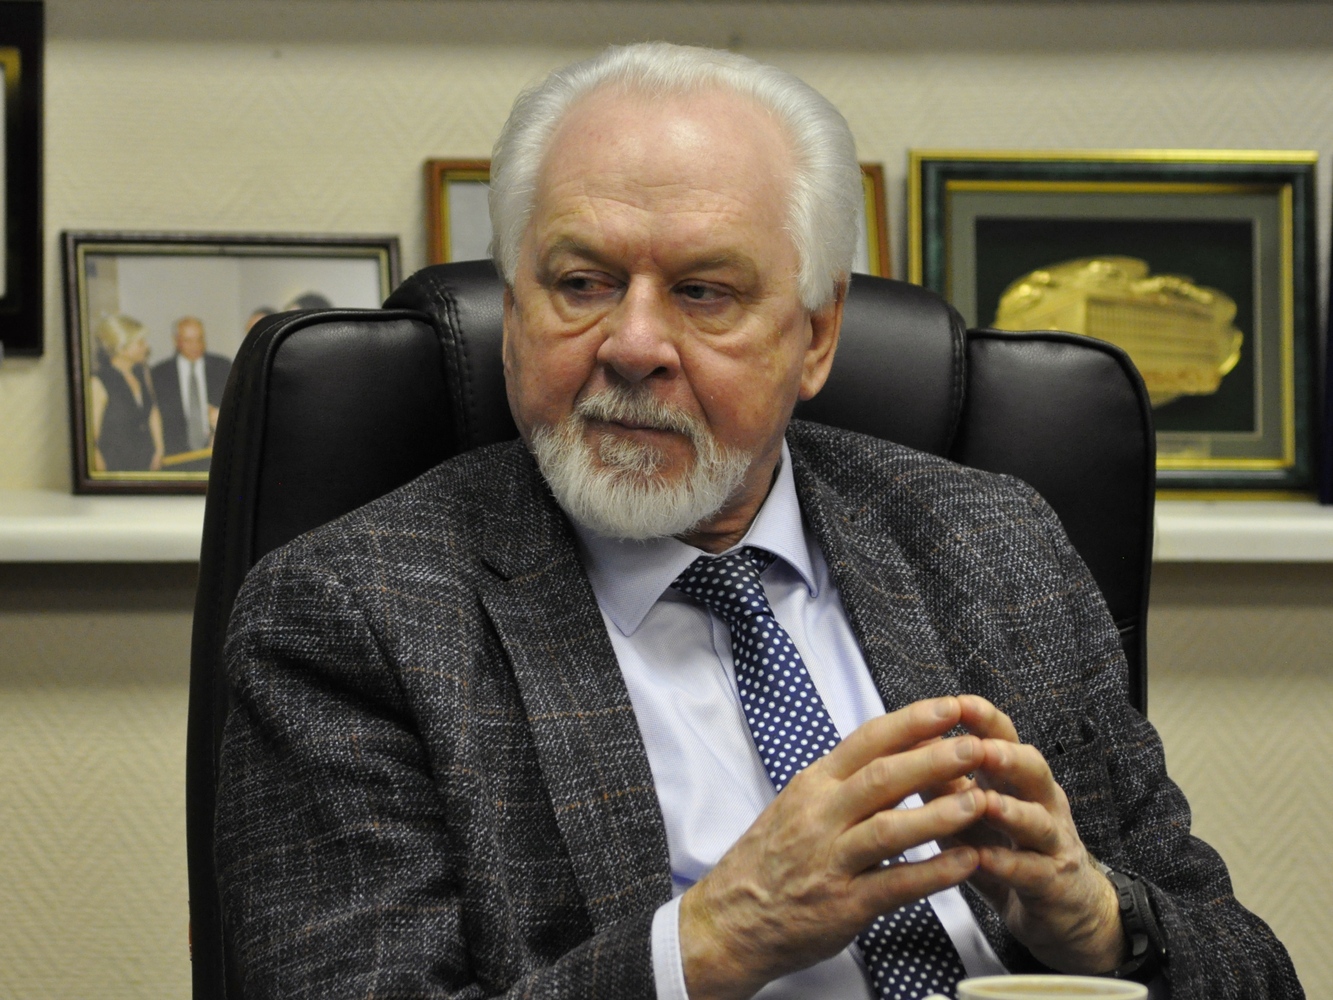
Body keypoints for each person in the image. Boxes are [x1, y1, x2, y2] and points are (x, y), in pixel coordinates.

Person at [215, 43, 1302, 1000]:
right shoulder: (352, 614)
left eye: (704, 292)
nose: (632, 345)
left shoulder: (991, 544)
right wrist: (715, 941)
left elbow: (1250, 971)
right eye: (582, 282)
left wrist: (1099, 922)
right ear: (514, 307)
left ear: (816, 336)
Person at [89, 314, 164, 473]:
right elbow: (91, 438)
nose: (146, 347)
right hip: (115, 465)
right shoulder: (99, 382)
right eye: (140, 343)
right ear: (121, 347)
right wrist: (101, 475)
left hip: (146, 461)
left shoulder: (142, 373)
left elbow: (152, 411)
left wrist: (159, 450)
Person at [151, 315, 232, 460]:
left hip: (216, 453)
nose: (195, 346)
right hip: (176, 456)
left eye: (200, 339)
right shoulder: (159, 374)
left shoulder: (222, 367)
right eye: (188, 341)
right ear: (176, 340)